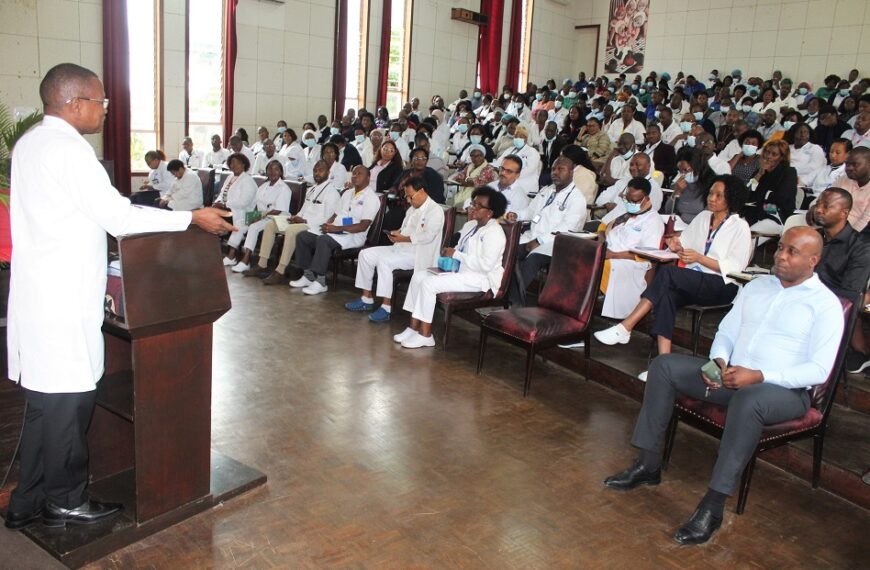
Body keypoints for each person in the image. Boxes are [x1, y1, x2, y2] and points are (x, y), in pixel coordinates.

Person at [5, 63, 233, 531]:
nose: (105, 110)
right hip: (62, 301)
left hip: (39, 295)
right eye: (100, 101)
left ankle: (27, 499)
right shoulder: (69, 151)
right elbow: (120, 217)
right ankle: (65, 501)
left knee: (45, 407)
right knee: (70, 407)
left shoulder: (30, 144)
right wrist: (192, 220)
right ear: (74, 103)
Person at [603, 227, 844, 546]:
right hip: (730, 375)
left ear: (813, 260)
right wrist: (717, 362)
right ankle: (648, 464)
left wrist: (758, 375)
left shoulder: (825, 305)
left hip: (782, 392)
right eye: (780, 248)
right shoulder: (757, 287)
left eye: (791, 252)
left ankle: (712, 507)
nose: (780, 255)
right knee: (663, 366)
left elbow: (818, 369)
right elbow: (727, 332)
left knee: (749, 401)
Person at [595, 175, 752, 374]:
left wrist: (699, 258)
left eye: (719, 195)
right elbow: (684, 242)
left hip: (722, 285)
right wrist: (676, 245)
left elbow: (735, 268)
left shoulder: (740, 226)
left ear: (731, 198)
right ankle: (662, 366)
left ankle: (626, 326)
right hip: (694, 279)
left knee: (668, 273)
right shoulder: (704, 217)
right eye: (711, 193)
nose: (712, 198)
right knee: (667, 295)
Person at [396, 187, 508, 349]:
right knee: (419, 276)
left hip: (480, 278)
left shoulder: (494, 233)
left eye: (478, 206)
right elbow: (459, 247)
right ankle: (413, 328)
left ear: (490, 213)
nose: (473, 207)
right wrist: (449, 253)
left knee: (429, 284)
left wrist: (456, 255)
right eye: (473, 203)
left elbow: (485, 266)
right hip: (460, 271)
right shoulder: (470, 225)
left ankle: (426, 335)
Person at [345, 177, 445, 322]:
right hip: (401, 247)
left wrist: (403, 238)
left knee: (385, 261)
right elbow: (404, 229)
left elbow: (427, 237)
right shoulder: (412, 209)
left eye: (411, 196)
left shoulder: (435, 211)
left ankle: (386, 308)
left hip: (418, 254)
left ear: (422, 191)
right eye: (407, 196)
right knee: (365, 254)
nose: (409, 201)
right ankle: (366, 298)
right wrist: (395, 233)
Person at [505, 157, 587, 306]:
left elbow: (567, 228)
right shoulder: (546, 191)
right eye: (554, 169)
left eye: (560, 169)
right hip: (532, 237)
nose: (555, 172)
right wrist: (517, 215)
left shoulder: (577, 199)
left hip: (557, 244)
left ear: (571, 172)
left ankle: (513, 302)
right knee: (508, 253)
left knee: (532, 261)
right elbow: (530, 211)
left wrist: (539, 241)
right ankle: (503, 294)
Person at [244, 160, 341, 284]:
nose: (317, 173)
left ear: (328, 172)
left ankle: (280, 270)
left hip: (313, 227)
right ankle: (262, 264)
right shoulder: (311, 189)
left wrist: (304, 220)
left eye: (320, 170)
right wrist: (295, 217)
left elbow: (327, 219)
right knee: (270, 225)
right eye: (315, 170)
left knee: (291, 230)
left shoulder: (332, 193)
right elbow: (303, 210)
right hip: (301, 221)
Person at [289, 165, 381, 295]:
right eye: (354, 173)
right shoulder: (348, 193)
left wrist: (336, 229)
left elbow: (363, 226)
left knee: (323, 240)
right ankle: (308, 276)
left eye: (359, 174)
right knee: (303, 236)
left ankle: (321, 282)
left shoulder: (371, 198)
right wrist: (327, 225)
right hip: (336, 231)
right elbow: (335, 215)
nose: (355, 176)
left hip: (353, 235)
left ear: (368, 177)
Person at [597, 177, 665, 319]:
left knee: (594, 266)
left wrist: (612, 255)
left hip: (630, 263)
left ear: (646, 199)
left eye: (635, 201)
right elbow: (603, 227)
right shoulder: (625, 212)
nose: (629, 204)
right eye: (627, 199)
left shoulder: (653, 221)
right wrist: (602, 245)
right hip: (606, 252)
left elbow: (648, 254)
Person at [230, 160, 292, 273]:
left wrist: (258, 217)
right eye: (270, 169)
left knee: (254, 227)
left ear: (281, 172)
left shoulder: (284, 189)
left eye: (276, 169)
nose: (273, 172)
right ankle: (231, 255)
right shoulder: (263, 186)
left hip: (277, 219)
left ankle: (246, 260)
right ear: (266, 171)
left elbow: (277, 211)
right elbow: (257, 205)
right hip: (262, 216)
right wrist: (252, 216)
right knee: (240, 222)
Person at [744, 139, 798, 237]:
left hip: (776, 214)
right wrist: (759, 175)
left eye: (774, 154)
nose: (768, 156)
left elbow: (780, 199)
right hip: (753, 212)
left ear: (782, 158)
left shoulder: (788, 172)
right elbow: (747, 194)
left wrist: (759, 200)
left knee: (747, 236)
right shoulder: (759, 171)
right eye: (767, 152)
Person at [213, 153, 258, 267]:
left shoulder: (248, 181)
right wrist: (217, 202)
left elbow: (243, 202)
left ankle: (227, 255)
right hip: (229, 210)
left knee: (213, 220)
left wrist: (224, 205)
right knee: (208, 215)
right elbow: (222, 193)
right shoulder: (230, 177)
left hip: (243, 213)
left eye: (237, 163)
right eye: (231, 163)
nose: (234, 165)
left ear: (244, 165)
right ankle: (214, 252)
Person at [596, 153, 663, 225]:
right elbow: (601, 198)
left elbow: (647, 214)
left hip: (630, 225)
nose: (632, 168)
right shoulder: (623, 181)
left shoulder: (654, 188)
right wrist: (608, 204)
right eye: (631, 164)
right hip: (608, 218)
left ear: (648, 166)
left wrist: (617, 209)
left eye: (637, 165)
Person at [831, 146, 870, 233]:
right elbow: (826, 198)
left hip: (859, 237)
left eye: (855, 164)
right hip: (833, 229)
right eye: (847, 164)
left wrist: (846, 238)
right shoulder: (843, 179)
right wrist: (814, 207)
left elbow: (866, 221)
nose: (849, 168)